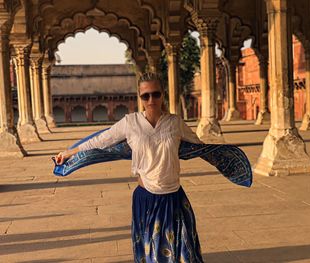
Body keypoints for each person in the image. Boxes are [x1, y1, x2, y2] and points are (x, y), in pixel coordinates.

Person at [55, 72, 204, 263]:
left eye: (156, 94)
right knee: (153, 255)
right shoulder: (130, 122)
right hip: (146, 198)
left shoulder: (175, 123)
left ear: (163, 95)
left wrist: (224, 156)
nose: (151, 100)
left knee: (183, 255)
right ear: (140, 97)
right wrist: (69, 152)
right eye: (146, 95)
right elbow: (101, 140)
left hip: (174, 197)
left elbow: (199, 146)